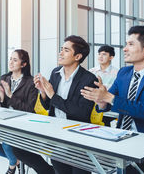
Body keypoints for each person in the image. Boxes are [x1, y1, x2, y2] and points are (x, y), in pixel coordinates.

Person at [81, 26, 144, 174]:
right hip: (123, 141)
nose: (124, 49)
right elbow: (109, 101)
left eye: (131, 44)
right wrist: (101, 101)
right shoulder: (124, 73)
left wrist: (108, 97)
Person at [13, 35, 97, 174]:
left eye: (66, 50)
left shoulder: (88, 79)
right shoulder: (55, 73)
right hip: (55, 133)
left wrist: (52, 95)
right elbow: (49, 106)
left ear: (77, 57)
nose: (61, 53)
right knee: (19, 148)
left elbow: (82, 113)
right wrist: (44, 93)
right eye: (61, 49)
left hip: (77, 139)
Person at [0, 49, 38, 174]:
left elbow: (29, 110)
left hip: (22, 122)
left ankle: (12, 166)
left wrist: (10, 95)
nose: (11, 62)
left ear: (23, 64)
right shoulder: (5, 78)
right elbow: (1, 106)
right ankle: (17, 160)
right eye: (10, 59)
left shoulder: (31, 82)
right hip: (6, 120)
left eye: (15, 60)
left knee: (7, 143)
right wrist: (2, 97)